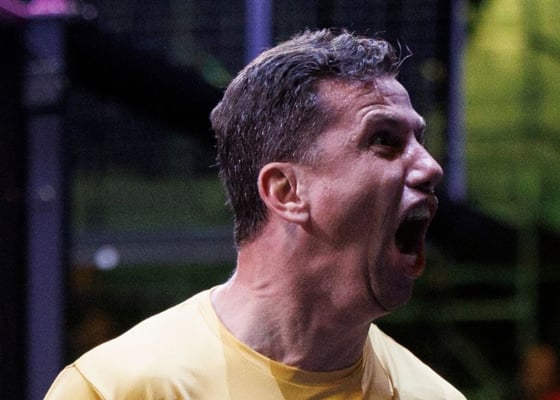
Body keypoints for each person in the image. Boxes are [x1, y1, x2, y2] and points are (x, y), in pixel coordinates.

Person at [45, 29, 466, 399]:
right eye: (384, 140)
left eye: (419, 139)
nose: (430, 167)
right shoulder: (116, 390)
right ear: (286, 191)